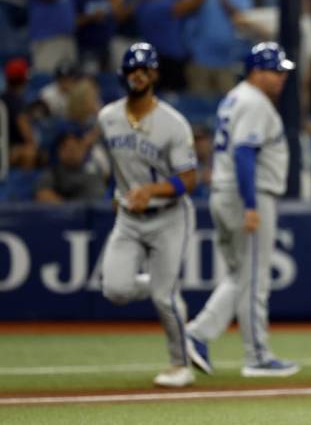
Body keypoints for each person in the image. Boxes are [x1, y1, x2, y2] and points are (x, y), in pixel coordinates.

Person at [185, 42, 299, 378]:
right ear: (256, 71)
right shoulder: (253, 102)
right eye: (275, 71)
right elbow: (244, 155)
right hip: (246, 194)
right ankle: (257, 356)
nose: (281, 78)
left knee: (239, 276)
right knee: (253, 279)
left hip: (226, 192)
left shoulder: (235, 97)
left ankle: (198, 333)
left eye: (282, 71)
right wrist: (251, 205)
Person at [98, 43, 198, 388]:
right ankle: (160, 284)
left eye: (144, 69)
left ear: (154, 74)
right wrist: (117, 191)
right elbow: (116, 164)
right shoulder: (108, 117)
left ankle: (180, 365)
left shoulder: (173, 124)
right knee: (114, 289)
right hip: (129, 217)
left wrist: (150, 191)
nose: (138, 75)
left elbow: (189, 179)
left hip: (169, 216)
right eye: (131, 69)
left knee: (164, 298)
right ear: (123, 74)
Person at [34, 130, 106, 203]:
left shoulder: (95, 171)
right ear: (59, 151)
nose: (74, 152)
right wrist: (71, 210)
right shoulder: (53, 174)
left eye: (78, 147)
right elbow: (43, 195)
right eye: (70, 149)